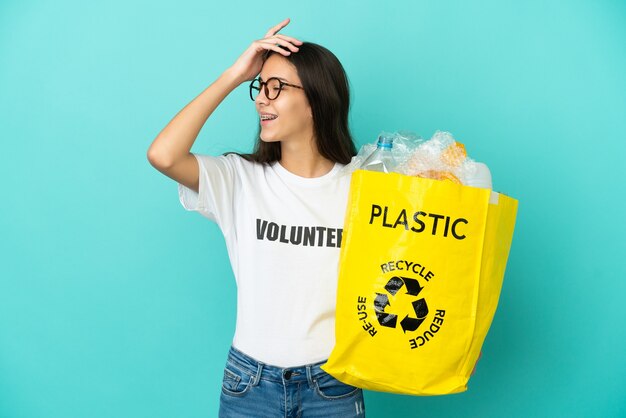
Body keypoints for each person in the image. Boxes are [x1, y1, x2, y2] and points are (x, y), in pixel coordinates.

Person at [147, 18, 366, 417]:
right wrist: (235, 74)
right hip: (250, 385)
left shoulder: (364, 186)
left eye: (276, 88)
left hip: (332, 385)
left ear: (316, 100)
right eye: (259, 87)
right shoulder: (239, 180)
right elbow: (163, 155)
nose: (261, 99)